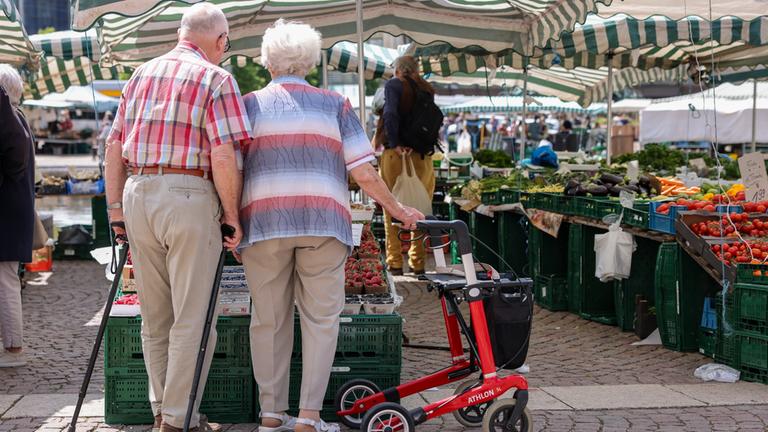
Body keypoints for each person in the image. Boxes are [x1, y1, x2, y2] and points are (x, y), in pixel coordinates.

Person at [238, 20, 424, 432]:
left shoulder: (247, 105)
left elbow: (231, 168)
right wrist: (396, 208)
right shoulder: (335, 105)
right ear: (309, 61)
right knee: (321, 320)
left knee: (268, 320)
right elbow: (364, 171)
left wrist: (231, 218)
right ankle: (307, 418)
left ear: (268, 61)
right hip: (323, 223)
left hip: (264, 222)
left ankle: (271, 415)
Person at [103, 4, 251, 431]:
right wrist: (231, 214)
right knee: (194, 318)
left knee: (157, 317)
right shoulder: (216, 78)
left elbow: (114, 148)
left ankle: (164, 412)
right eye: (227, 43)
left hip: (138, 192)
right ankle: (176, 418)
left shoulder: (141, 74)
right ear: (220, 40)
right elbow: (223, 154)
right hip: (187, 193)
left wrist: (116, 210)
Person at [376, 55, 437, 275]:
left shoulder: (394, 85)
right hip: (422, 157)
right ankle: (417, 261)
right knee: (419, 209)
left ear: (399, 70)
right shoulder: (427, 88)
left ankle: (394, 261)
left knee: (390, 206)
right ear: (416, 70)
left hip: (395, 155)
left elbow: (390, 113)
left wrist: (395, 143)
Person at [0, 65, 34, 368]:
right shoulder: (18, 119)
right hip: (13, 213)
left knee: (5, 280)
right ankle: (12, 346)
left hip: (7, 215)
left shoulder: (13, 122)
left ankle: (13, 348)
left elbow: (12, 165)